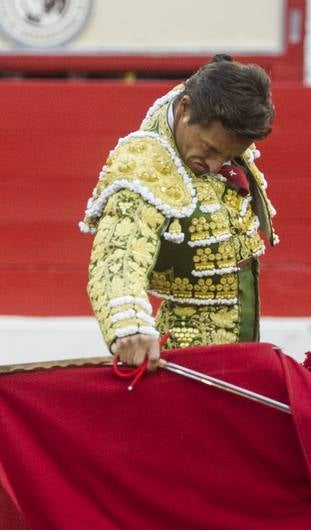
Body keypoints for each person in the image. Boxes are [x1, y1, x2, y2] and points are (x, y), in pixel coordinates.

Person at [82, 55, 277, 370]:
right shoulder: (145, 165)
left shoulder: (208, 106)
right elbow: (117, 260)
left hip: (241, 350)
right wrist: (130, 326)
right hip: (188, 360)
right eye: (210, 149)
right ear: (185, 110)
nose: (215, 166)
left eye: (229, 156)